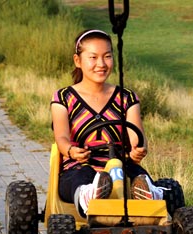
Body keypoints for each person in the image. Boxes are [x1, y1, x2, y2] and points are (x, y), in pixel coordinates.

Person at [50, 29, 165, 217]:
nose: (101, 64)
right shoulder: (63, 98)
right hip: (79, 167)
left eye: (107, 57)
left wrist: (138, 148)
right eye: (93, 57)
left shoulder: (127, 97)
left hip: (120, 166)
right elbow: (61, 136)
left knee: (138, 175)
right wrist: (71, 150)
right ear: (78, 61)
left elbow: (137, 134)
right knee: (82, 176)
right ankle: (89, 195)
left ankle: (148, 193)